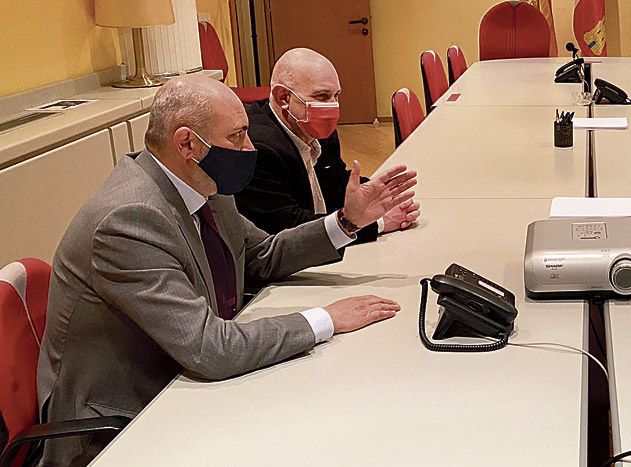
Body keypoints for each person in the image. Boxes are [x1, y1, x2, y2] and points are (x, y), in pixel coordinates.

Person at [37, 75, 414, 466]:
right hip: (121, 425)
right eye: (237, 137)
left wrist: (346, 222)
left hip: (184, 378)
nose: (249, 148)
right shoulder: (129, 221)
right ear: (187, 144)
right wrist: (326, 320)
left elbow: (261, 255)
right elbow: (210, 348)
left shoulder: (200, 183)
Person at [236, 48, 420, 242]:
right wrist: (377, 223)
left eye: (336, 96)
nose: (333, 106)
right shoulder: (256, 148)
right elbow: (286, 229)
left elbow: (335, 181)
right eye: (322, 96)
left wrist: (378, 197)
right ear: (284, 97)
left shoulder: (317, 128)